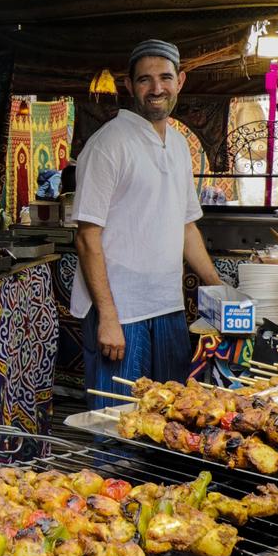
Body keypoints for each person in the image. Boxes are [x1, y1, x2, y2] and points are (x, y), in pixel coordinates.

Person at [71, 39, 223, 398]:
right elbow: (87, 237)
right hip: (121, 312)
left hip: (167, 308)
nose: (157, 88)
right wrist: (108, 318)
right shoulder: (108, 144)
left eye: (165, 78)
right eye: (145, 80)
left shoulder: (180, 145)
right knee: (116, 429)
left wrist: (219, 287)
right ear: (129, 86)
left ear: (180, 81)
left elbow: (186, 226)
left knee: (168, 419)